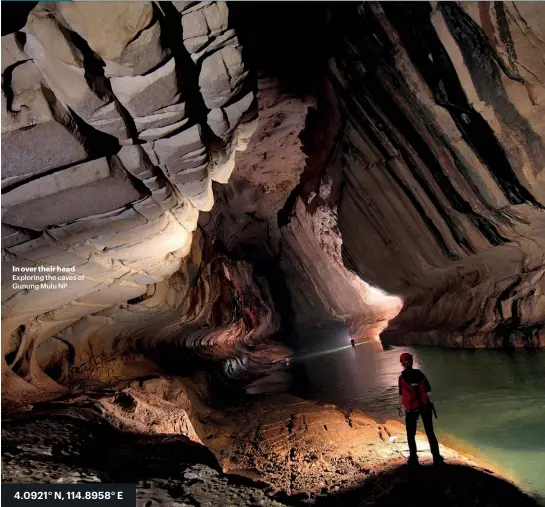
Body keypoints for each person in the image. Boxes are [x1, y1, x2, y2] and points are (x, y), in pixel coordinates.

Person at [396, 352, 444, 466]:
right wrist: (430, 402)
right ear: (412, 362)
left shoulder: (401, 378)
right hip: (424, 406)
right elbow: (429, 392)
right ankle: (436, 457)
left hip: (412, 409)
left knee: (410, 434)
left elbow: (401, 396)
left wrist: (399, 407)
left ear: (402, 364)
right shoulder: (420, 374)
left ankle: (413, 458)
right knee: (430, 432)